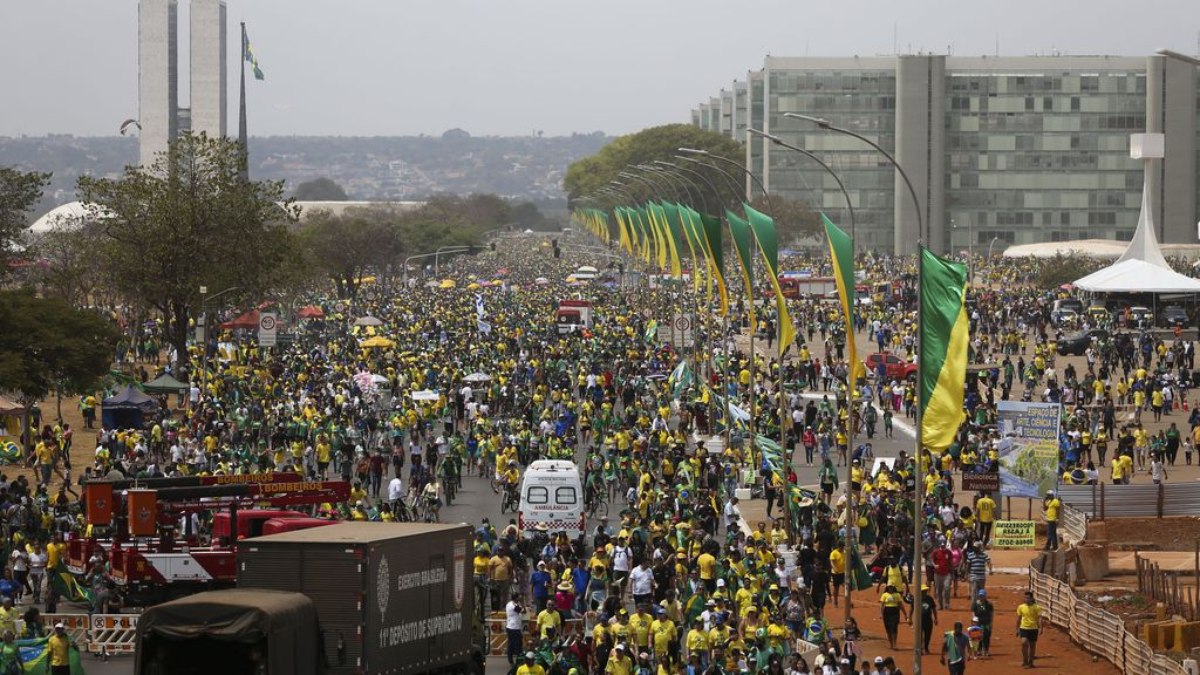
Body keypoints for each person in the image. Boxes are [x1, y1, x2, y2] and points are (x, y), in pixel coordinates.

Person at [1017, 590, 1044, 668]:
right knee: (1024, 643)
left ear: (1032, 599)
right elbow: (1019, 618)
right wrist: (1017, 628)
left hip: (1033, 628)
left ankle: (1030, 662)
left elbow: (1039, 618)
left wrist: (1041, 628)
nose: (1026, 599)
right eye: (1025, 598)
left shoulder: (1037, 607)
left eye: (1028, 598)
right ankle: (1025, 659)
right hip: (1024, 627)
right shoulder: (1021, 607)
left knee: (1032, 645)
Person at [879, 584, 907, 650]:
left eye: (891, 587)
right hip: (887, 612)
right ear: (887, 588)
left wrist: (905, 614)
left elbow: (901, 605)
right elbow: (882, 605)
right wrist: (881, 614)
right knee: (888, 629)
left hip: (895, 612)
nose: (890, 588)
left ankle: (894, 644)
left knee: (894, 627)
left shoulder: (897, 595)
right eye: (889, 587)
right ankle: (891, 644)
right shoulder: (884, 595)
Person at [970, 590, 994, 657]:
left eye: (983, 595)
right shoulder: (975, 604)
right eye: (980, 595)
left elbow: (991, 614)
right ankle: (979, 650)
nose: (981, 597)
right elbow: (973, 614)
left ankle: (986, 650)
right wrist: (974, 623)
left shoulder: (989, 604)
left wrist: (991, 623)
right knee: (978, 637)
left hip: (986, 623)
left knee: (986, 636)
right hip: (978, 623)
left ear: (985, 596)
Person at [505, 592, 525, 665]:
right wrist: (523, 602)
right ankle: (518, 661)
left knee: (511, 644)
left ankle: (511, 660)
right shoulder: (513, 605)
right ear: (516, 598)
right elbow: (523, 611)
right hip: (514, 627)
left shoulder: (509, 604)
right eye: (519, 597)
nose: (520, 598)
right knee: (518, 645)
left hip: (512, 626)